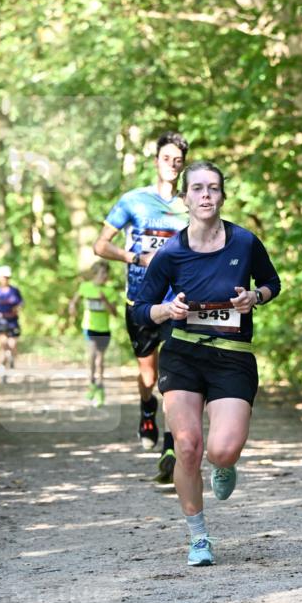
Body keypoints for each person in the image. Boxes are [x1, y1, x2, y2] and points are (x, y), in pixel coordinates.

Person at [132, 160, 281, 567]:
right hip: (182, 354)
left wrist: (256, 298)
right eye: (197, 188)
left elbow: (273, 283)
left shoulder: (245, 243)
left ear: (222, 196)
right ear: (185, 198)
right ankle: (198, 536)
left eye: (213, 188)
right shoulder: (172, 251)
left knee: (223, 449)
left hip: (231, 358)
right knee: (187, 446)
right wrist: (167, 311)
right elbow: (141, 309)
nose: (205, 196)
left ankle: (225, 465)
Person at [94, 131, 189, 481]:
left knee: (174, 377)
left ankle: (170, 446)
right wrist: (136, 257)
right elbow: (100, 245)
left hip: (179, 302)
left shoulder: (190, 203)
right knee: (149, 376)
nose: (172, 165)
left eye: (178, 161)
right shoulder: (133, 201)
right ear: (156, 161)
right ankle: (146, 408)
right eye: (167, 158)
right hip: (141, 301)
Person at [69, 261, 118, 406]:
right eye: (103, 273)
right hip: (89, 328)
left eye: (107, 273)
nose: (105, 276)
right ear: (95, 274)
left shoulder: (110, 291)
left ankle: (100, 388)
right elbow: (74, 301)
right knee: (92, 356)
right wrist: (72, 307)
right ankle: (91, 384)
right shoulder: (85, 287)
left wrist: (105, 301)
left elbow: (114, 313)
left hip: (104, 329)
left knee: (100, 360)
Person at [0, 265, 23, 381]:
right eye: (3, 277)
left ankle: (12, 359)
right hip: (0, 320)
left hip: (12, 320)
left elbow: (21, 303)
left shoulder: (14, 291)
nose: (5, 279)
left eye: (7, 277)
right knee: (3, 344)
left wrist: (17, 308)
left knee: (12, 344)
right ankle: (1, 368)